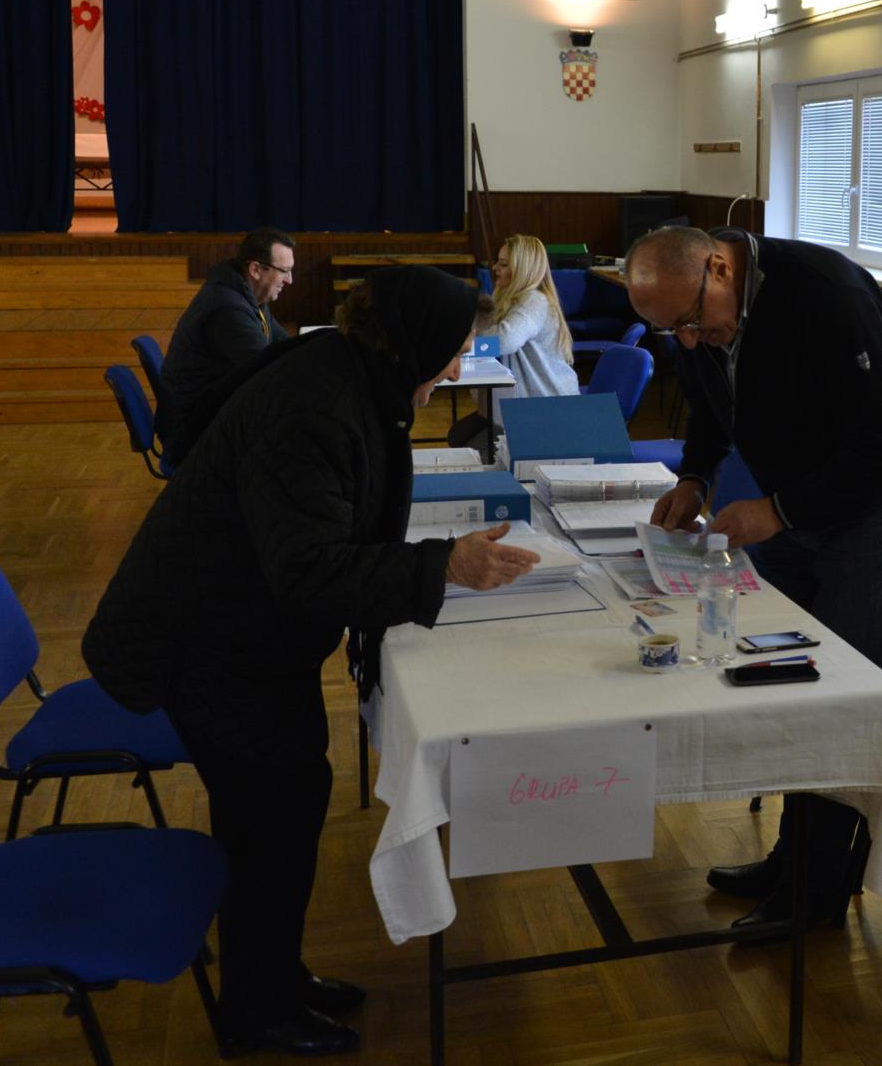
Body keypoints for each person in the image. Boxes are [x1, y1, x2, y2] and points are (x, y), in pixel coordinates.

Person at [81, 267, 541, 1057]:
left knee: (281, 807)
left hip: (238, 631)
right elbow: (308, 567)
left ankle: (272, 978)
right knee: (274, 816)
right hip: (204, 640)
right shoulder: (316, 406)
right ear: (415, 342)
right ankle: (257, 1011)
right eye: (453, 351)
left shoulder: (347, 375)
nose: (455, 368)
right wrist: (443, 566)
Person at [623, 224, 882, 932]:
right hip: (791, 493)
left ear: (719, 268)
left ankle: (815, 896)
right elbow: (711, 400)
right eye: (673, 331)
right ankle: (792, 858)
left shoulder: (826, 294)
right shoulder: (698, 314)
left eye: (692, 320)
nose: (689, 339)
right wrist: (696, 478)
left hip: (874, 498)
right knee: (790, 676)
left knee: (838, 690)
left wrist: (777, 511)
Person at [156, 227, 295, 462]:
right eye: (285, 271)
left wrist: (321, 346)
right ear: (255, 270)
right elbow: (268, 370)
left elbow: (281, 343)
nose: (290, 280)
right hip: (192, 432)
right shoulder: (228, 308)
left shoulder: (247, 293)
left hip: (209, 411)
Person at [446, 234, 579, 459]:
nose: (495, 268)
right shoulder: (507, 297)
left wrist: (460, 347)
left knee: (474, 447)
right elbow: (482, 333)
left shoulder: (535, 301)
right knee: (460, 436)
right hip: (520, 406)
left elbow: (505, 340)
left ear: (523, 269)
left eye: (504, 264)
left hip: (545, 407)